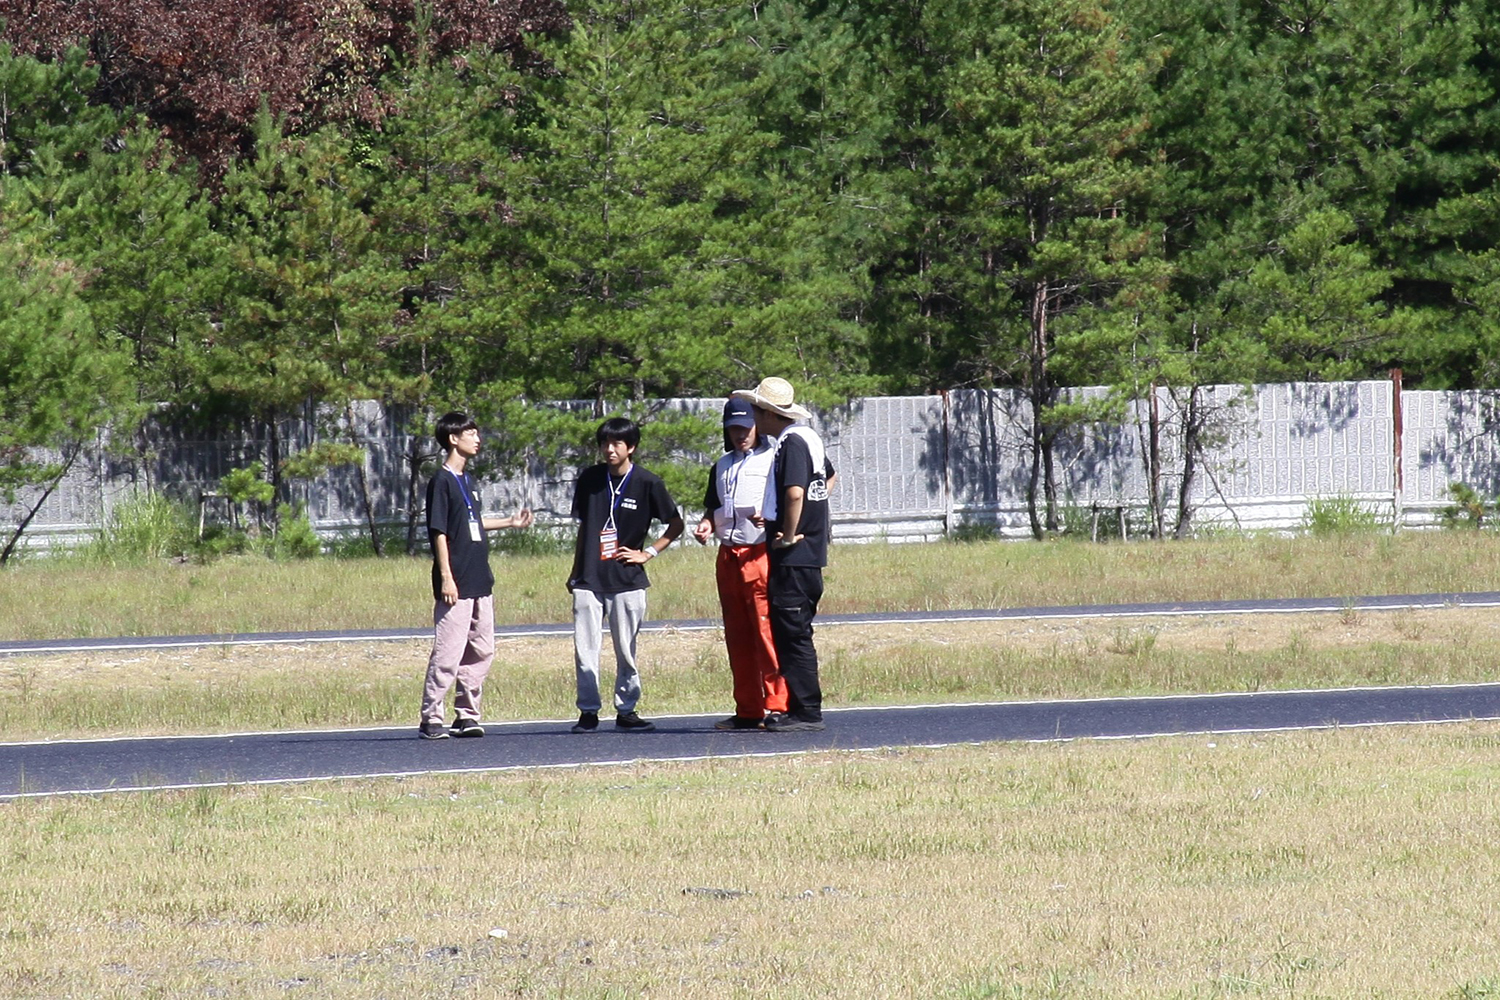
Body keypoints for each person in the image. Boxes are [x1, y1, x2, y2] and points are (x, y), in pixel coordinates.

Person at [566, 416, 685, 733]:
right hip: (589, 578)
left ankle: (627, 709)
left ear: (631, 447)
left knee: (625, 650)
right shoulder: (590, 479)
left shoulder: (648, 482)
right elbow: (584, 528)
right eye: (605, 443)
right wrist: (575, 572)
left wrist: (649, 552)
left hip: (628, 579)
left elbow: (676, 524)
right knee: (585, 650)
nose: (610, 449)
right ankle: (588, 711)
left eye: (617, 443)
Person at [419, 411, 534, 739]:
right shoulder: (440, 482)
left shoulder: (468, 480)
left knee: (482, 649)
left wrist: (510, 523)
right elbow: (440, 531)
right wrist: (446, 575)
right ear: (453, 439)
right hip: (456, 580)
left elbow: (471, 524)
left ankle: (467, 715)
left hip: (480, 578)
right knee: (449, 652)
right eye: (471, 433)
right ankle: (431, 718)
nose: (477, 439)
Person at [731, 377, 833, 733]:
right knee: (794, 629)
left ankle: (806, 710)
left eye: (757, 410)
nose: (753, 418)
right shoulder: (809, 438)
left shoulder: (791, 443)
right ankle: (802, 707)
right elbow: (826, 481)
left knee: (792, 633)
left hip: (795, 555)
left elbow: (794, 493)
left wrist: (789, 533)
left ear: (768, 413)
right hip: (811, 553)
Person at [692, 397, 788, 730]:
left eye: (745, 428)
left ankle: (778, 705)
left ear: (757, 427)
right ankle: (748, 709)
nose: (739, 435)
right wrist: (706, 524)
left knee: (765, 632)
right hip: (728, 555)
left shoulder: (774, 458)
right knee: (737, 635)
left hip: (759, 552)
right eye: (733, 428)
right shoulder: (721, 465)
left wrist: (775, 520)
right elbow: (712, 506)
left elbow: (815, 485)